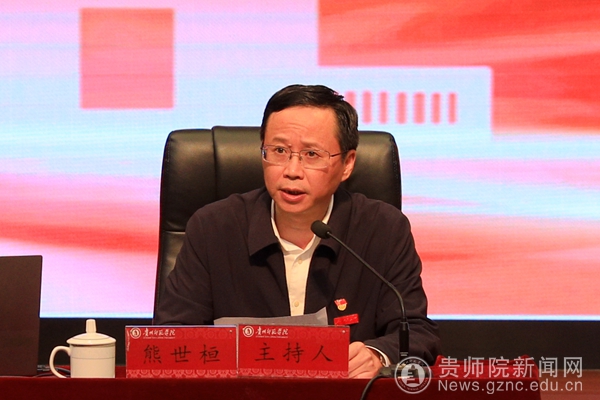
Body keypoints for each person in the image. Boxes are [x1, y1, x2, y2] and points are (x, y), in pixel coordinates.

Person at [154, 84, 441, 378]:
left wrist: (377, 355)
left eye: (312, 154)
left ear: (347, 164)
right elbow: (170, 336)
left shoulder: (382, 229)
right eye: (279, 151)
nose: (292, 170)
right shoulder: (213, 228)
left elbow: (417, 332)